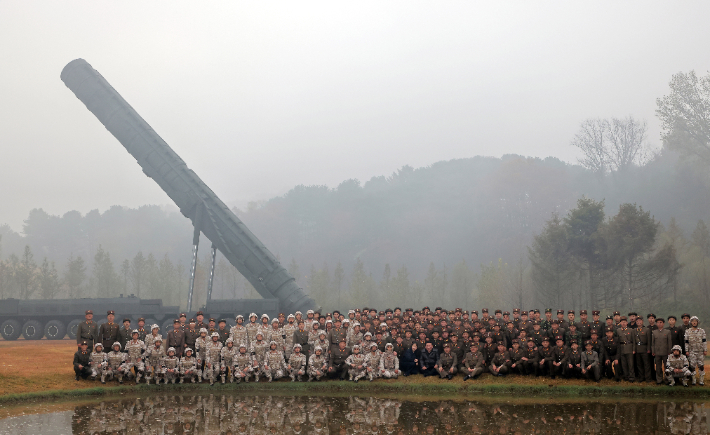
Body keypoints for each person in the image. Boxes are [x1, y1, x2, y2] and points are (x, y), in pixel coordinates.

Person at [684, 316, 707, 385]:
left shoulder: (702, 331)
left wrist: (705, 350)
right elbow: (686, 342)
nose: (694, 322)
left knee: (701, 366)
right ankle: (694, 380)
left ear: (697, 322)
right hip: (692, 352)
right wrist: (686, 350)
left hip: (700, 352)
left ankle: (701, 380)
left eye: (695, 321)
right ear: (691, 322)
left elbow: (704, 341)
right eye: (693, 321)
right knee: (692, 366)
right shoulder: (687, 331)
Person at [651, 318, 672, 385]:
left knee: (667, 367)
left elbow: (669, 342)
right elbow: (653, 343)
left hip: (665, 352)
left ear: (663, 323)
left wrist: (669, 351)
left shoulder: (667, 332)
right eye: (658, 322)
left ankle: (667, 380)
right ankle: (659, 380)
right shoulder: (654, 332)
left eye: (661, 322)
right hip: (657, 353)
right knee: (658, 367)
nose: (659, 324)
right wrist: (653, 351)